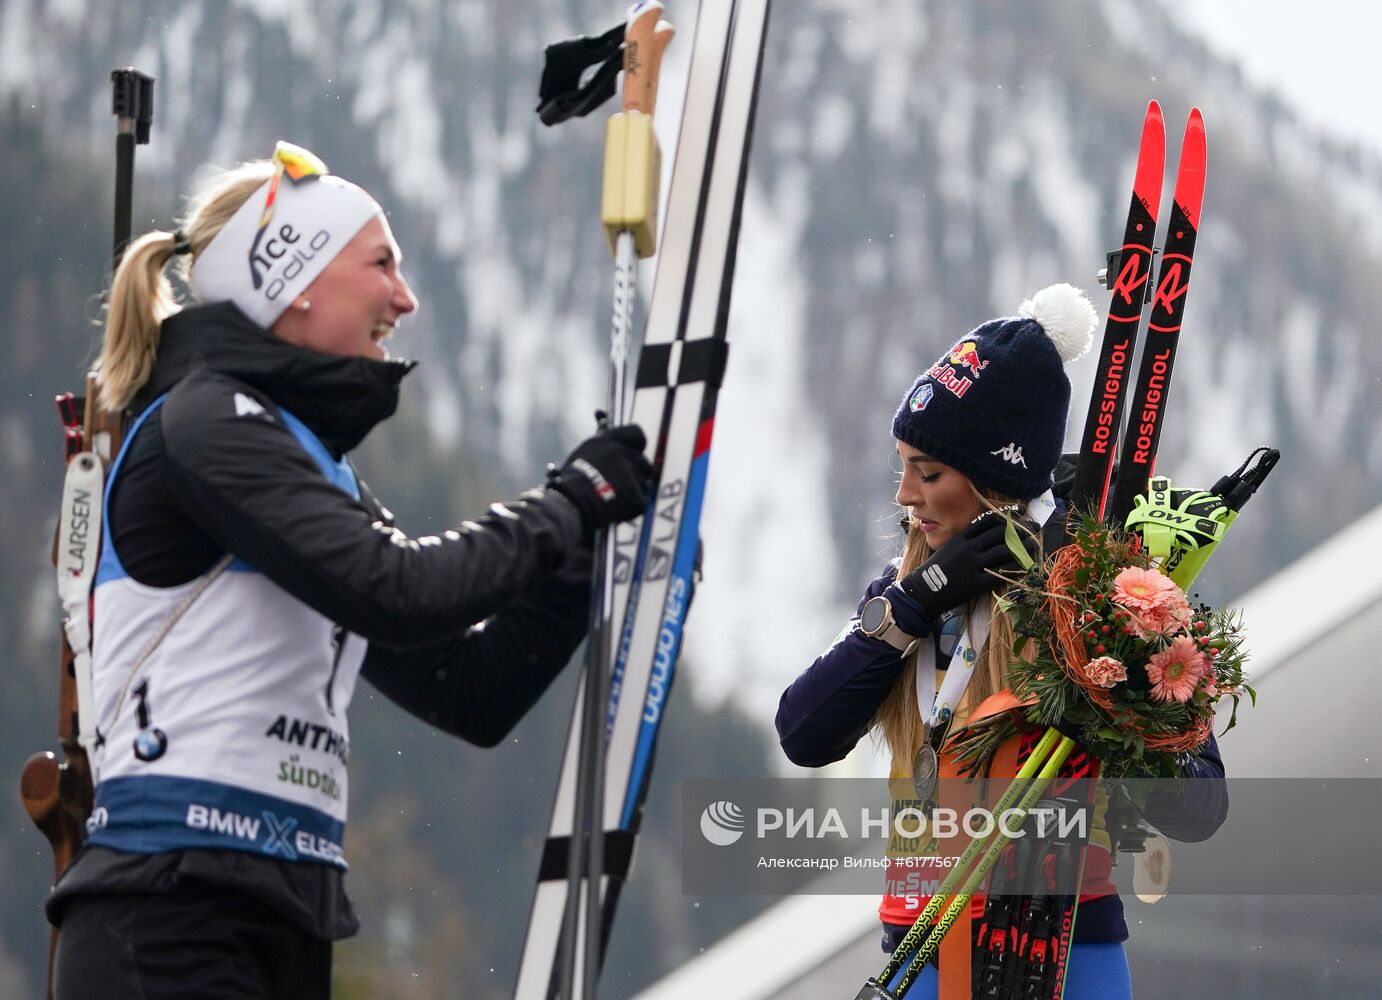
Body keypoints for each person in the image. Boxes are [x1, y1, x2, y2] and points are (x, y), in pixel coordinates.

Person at [48, 141, 654, 999]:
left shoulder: (302, 460)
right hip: (170, 913)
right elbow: (398, 590)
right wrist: (567, 505)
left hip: (273, 910)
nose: (403, 299)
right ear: (292, 277)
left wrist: (569, 567)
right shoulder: (208, 421)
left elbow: (466, 689)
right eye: (382, 265)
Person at [774, 285, 1228, 999]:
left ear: (994, 481)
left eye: (928, 473)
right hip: (919, 948)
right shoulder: (900, 594)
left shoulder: (1105, 597)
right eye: (902, 467)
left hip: (1069, 950)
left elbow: (1203, 803)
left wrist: (1114, 716)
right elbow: (802, 730)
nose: (905, 496)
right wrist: (918, 601)